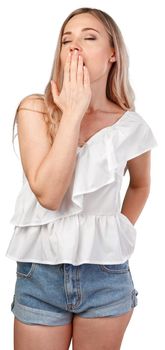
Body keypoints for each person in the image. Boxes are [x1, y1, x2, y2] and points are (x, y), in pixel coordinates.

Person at [6, 7, 158, 350]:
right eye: (66, 40)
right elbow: (49, 195)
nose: (74, 47)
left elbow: (140, 185)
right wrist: (73, 111)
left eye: (89, 38)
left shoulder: (132, 127)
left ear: (113, 54)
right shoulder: (34, 109)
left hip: (105, 275)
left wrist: (116, 229)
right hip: (40, 276)